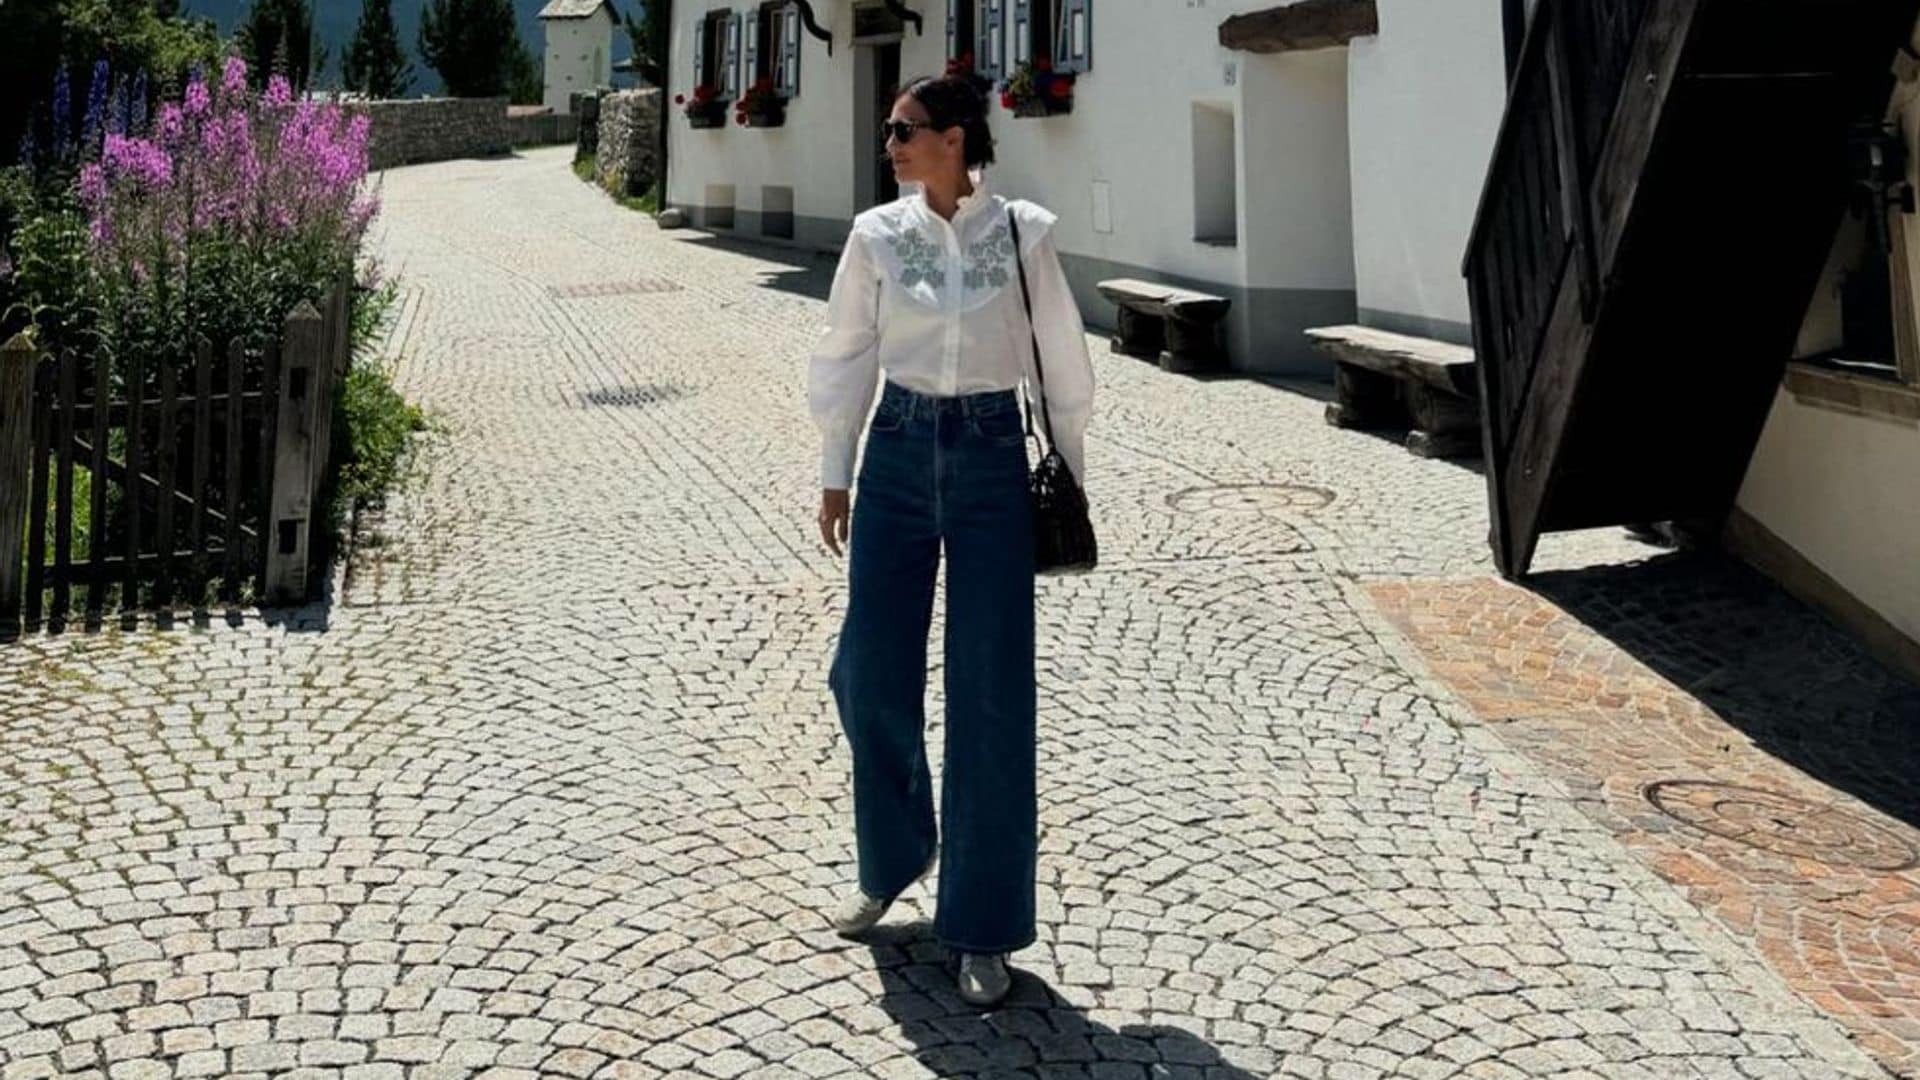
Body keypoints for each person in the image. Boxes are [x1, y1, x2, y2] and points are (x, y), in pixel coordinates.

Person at [807, 72, 1095, 1008]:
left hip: (988, 461)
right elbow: (846, 350)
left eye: (907, 128)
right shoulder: (876, 235)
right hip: (895, 451)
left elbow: (1061, 360)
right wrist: (836, 467)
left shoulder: (1025, 233)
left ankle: (982, 924)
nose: (889, 141)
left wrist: (1072, 477)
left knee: (991, 691)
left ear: (958, 138)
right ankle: (894, 853)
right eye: (889, 127)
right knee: (867, 669)